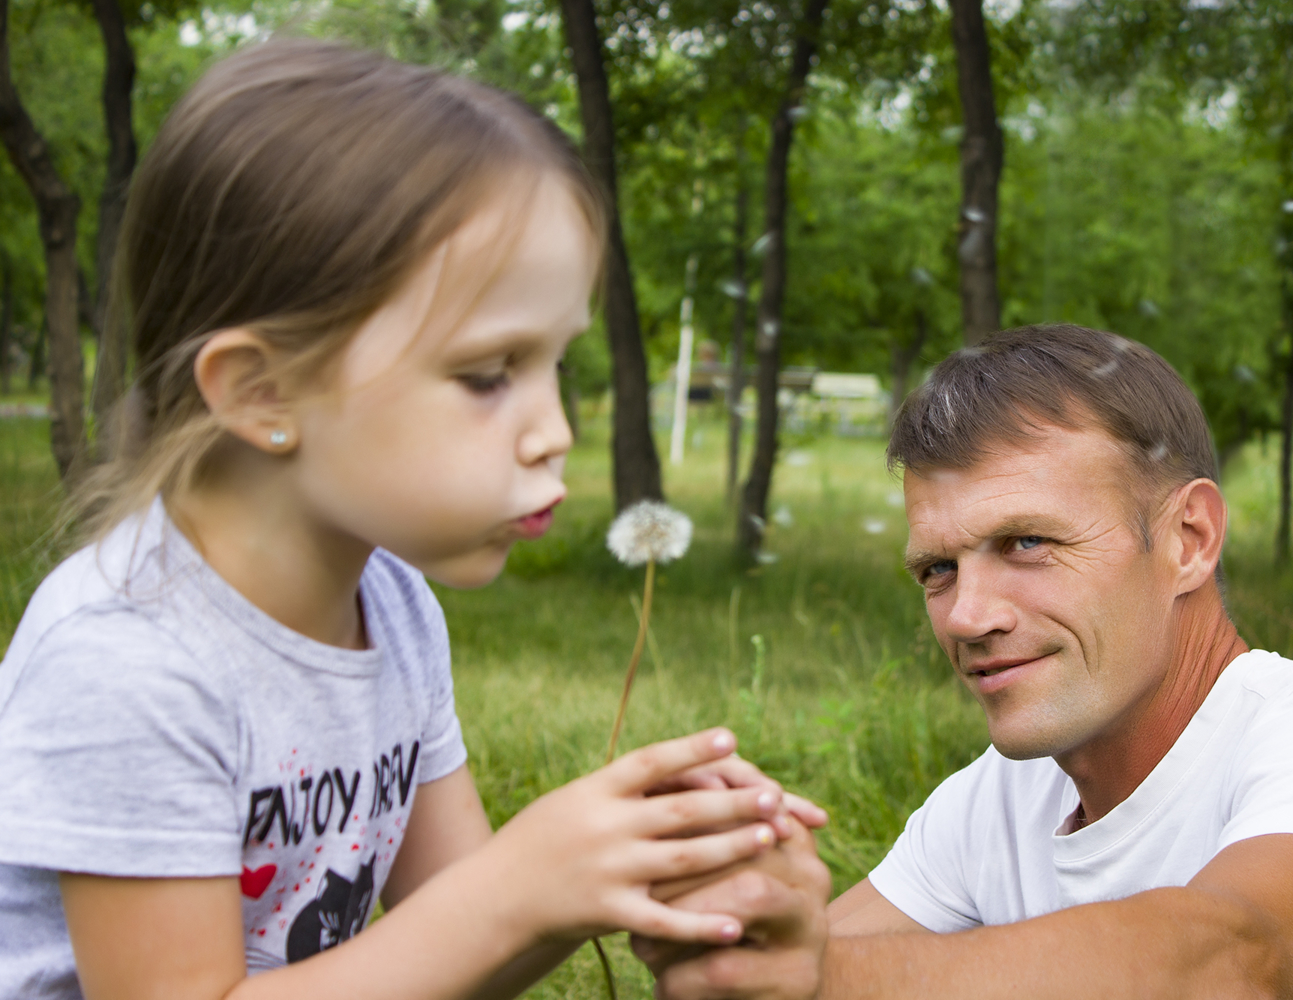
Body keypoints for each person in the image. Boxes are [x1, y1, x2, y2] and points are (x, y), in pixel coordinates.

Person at [0, 40, 827, 999]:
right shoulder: (130, 661)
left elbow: (455, 948)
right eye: (488, 374)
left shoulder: (390, 604)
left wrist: (616, 863)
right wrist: (519, 887)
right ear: (262, 390)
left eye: (556, 363)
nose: (554, 433)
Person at [636, 324, 1293, 1000]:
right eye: (938, 568)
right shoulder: (996, 803)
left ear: (1188, 540)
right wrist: (731, 923)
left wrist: (812, 978)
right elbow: (807, 963)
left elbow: (1244, 966)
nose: (967, 616)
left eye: (1027, 542)